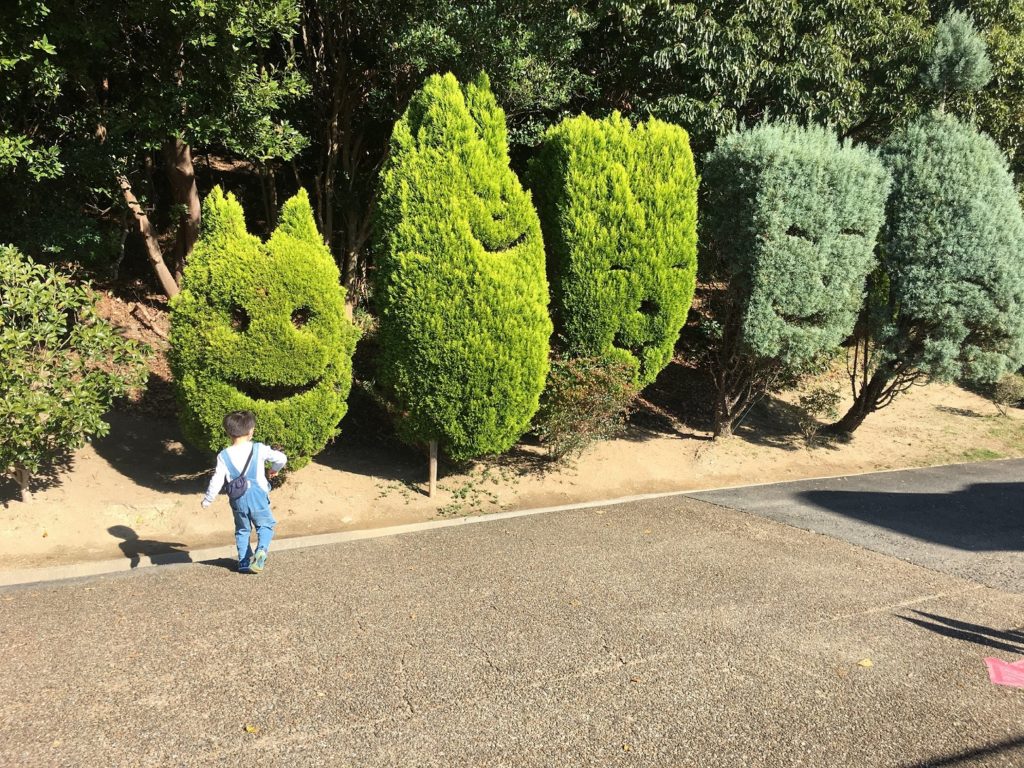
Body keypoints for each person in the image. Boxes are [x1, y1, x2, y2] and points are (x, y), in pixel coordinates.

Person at [201, 410, 286, 573]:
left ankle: (244, 562)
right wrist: (274, 470)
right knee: (265, 526)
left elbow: (217, 479)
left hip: (237, 499)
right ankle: (261, 551)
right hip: (258, 497)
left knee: (242, 529)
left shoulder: (224, 455)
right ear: (251, 431)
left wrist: (208, 500)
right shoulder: (259, 449)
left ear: (228, 433)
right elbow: (282, 459)